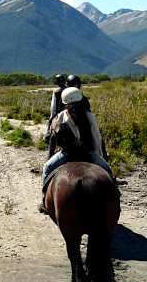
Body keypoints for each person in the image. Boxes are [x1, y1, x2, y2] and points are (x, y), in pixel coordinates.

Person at [39, 86, 115, 214]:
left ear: (65, 104)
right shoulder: (89, 116)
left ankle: (44, 201)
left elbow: (57, 141)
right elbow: (97, 137)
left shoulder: (60, 119)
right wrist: (99, 152)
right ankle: (114, 195)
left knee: (47, 168)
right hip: (89, 152)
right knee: (108, 170)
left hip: (67, 153)